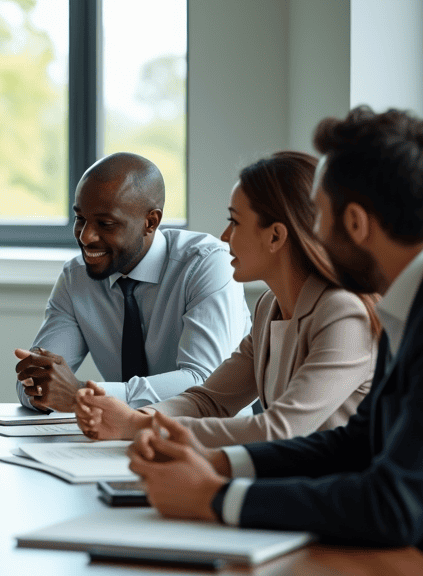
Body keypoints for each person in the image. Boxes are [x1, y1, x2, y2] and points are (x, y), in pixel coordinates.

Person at [127, 107, 423, 576]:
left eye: (319, 216)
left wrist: (215, 498)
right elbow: (360, 442)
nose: (311, 233)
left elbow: (394, 504)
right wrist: (218, 462)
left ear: (355, 223)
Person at [76, 151, 379, 446]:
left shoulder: (343, 313)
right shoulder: (269, 307)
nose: (223, 236)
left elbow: (279, 430)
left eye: (234, 222)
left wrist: (139, 425)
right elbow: (209, 400)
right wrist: (133, 417)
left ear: (275, 236)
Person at [15, 152, 250, 412]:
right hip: (114, 437)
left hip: (210, 439)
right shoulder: (77, 277)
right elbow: (36, 379)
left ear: (151, 222)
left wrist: (86, 394)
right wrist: (40, 386)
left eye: (105, 223)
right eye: (80, 219)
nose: (86, 236)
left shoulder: (207, 264)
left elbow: (204, 383)